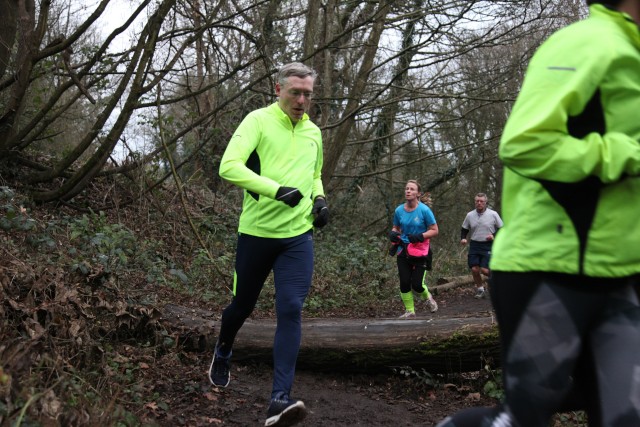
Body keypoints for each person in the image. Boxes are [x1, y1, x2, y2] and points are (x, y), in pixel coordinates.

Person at [437, 1, 640, 426]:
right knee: (523, 419)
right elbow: (524, 142)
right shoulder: (588, 42)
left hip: (621, 274)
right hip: (551, 271)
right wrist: (625, 153)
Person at [209, 62, 328, 427]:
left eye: (307, 94)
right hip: (257, 234)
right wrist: (276, 191)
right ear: (278, 90)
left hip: (297, 237)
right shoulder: (257, 121)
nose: (302, 101)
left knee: (290, 308)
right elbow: (229, 166)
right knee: (241, 307)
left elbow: (315, 174)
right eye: (295, 93)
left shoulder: (313, 132)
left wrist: (320, 199)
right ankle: (224, 348)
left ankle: (279, 399)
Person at [389, 180, 439, 319]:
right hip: (403, 249)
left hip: (420, 251)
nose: (408, 191)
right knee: (404, 282)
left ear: (418, 193)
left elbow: (435, 230)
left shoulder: (424, 210)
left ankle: (428, 298)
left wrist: (420, 236)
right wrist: (393, 233)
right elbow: (396, 227)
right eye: (407, 188)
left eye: (412, 189)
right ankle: (410, 311)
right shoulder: (399, 210)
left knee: (417, 285)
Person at [459, 193, 503, 299]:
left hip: (488, 245)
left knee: (484, 270)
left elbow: (502, 228)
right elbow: (464, 228)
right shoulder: (470, 215)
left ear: (485, 202)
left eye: (481, 201)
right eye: (477, 201)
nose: (479, 203)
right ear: (475, 202)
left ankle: (500, 281)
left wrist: (493, 236)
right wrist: (463, 238)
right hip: (475, 244)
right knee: (474, 269)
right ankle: (480, 289)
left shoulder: (493, 214)